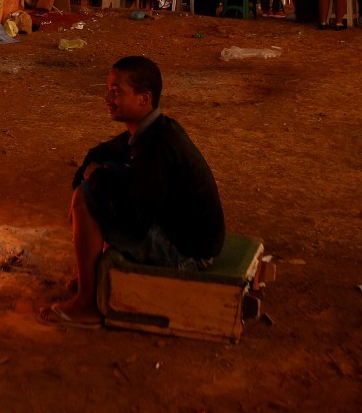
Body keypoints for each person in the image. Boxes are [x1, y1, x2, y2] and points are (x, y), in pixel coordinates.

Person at [39, 56, 224, 328]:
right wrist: (90, 169)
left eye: (117, 92)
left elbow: (134, 219)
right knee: (99, 178)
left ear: (143, 98)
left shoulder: (160, 147)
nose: (108, 98)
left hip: (187, 255)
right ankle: (90, 274)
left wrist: (96, 181)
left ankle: (87, 303)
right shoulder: (153, 130)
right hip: (177, 232)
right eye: (109, 90)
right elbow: (107, 151)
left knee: (85, 200)